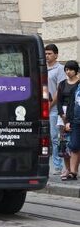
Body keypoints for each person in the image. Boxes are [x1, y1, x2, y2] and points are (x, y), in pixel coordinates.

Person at [46, 44, 67, 175]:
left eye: (49, 53)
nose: (47, 56)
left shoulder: (60, 69)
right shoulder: (42, 68)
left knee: (55, 137)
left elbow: (60, 91)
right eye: (46, 53)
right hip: (42, 107)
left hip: (53, 108)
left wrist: (50, 106)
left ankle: (58, 165)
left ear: (56, 55)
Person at [61, 61, 80, 181]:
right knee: (73, 146)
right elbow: (71, 105)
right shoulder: (76, 88)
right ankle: (72, 172)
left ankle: (73, 171)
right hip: (76, 121)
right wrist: (67, 121)